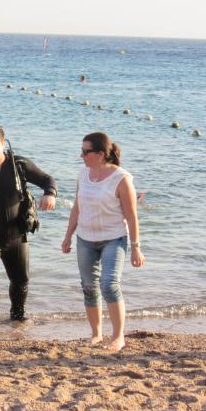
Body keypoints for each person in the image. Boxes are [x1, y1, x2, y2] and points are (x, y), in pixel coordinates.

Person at [0, 123, 57, 327]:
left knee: (21, 280)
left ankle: (18, 317)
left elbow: (47, 179)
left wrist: (50, 194)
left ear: (3, 144)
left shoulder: (19, 165)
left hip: (17, 234)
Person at [61, 132, 145, 351]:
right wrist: (68, 235)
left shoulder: (122, 178)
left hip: (114, 239)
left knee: (108, 284)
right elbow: (77, 207)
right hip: (85, 239)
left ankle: (118, 337)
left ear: (100, 154)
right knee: (89, 287)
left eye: (86, 151)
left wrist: (136, 248)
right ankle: (96, 334)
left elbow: (131, 215)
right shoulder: (83, 174)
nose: (82, 155)